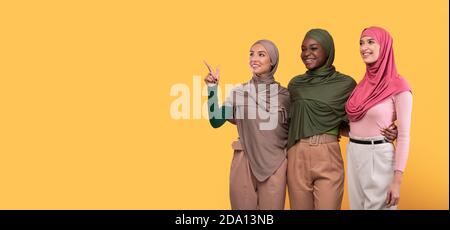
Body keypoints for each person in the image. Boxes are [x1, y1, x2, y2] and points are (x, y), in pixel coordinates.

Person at [204, 40, 290, 210]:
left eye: (261, 54)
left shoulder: (285, 96)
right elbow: (215, 120)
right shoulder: (239, 93)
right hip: (244, 161)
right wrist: (212, 89)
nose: (254, 59)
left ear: (272, 60)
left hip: (275, 164)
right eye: (251, 54)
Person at [286, 29, 357, 210]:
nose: (306, 54)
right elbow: (287, 121)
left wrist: (387, 131)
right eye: (303, 49)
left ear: (327, 49)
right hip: (297, 154)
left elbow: (356, 121)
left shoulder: (345, 84)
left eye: (313, 48)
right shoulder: (295, 84)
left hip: (328, 154)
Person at [345, 26, 412, 210]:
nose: (364, 47)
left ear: (385, 46)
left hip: (378, 155)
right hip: (353, 152)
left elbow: (405, 136)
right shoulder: (361, 86)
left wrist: (397, 181)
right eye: (361, 42)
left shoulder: (399, 85)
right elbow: (353, 123)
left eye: (371, 41)